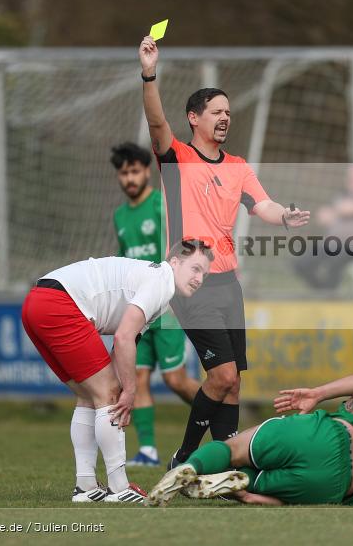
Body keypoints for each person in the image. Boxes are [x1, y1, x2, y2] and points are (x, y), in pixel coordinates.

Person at [138, 36, 310, 469]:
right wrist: (149, 74)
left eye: (228, 113)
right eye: (216, 112)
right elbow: (156, 122)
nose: (225, 118)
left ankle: (226, 467)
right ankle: (184, 458)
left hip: (229, 284)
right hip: (191, 283)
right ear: (193, 118)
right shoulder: (176, 158)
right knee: (223, 375)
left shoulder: (238, 167)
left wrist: (284, 215)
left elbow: (263, 205)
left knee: (233, 385)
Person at [20, 241, 213, 503]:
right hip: (59, 303)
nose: (199, 279)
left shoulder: (158, 286)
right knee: (107, 393)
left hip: (37, 302)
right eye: (195, 269)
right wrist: (129, 393)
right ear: (175, 262)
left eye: (204, 274)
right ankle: (119, 488)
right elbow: (123, 337)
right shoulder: (161, 281)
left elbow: (125, 345)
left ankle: (86, 487)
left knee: (90, 396)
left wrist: (121, 389)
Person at [146, 370, 353, 506]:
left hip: (322, 435)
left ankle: (190, 466)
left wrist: (317, 394)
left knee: (231, 450)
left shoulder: (351, 419)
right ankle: (240, 482)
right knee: (254, 481)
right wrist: (249, 498)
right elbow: (283, 503)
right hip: (331, 486)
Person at [110, 142, 201, 467]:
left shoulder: (161, 205)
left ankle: (221, 414)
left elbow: (181, 248)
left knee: (175, 380)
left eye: (135, 171)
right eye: (124, 173)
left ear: (147, 171)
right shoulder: (120, 216)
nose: (129, 178)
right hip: (137, 311)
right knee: (137, 378)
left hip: (165, 307)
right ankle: (148, 450)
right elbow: (124, 261)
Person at [294, 163, 353, 290]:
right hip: (332, 244)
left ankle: (329, 292)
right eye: (350, 177)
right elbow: (327, 217)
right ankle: (321, 290)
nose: (352, 181)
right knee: (302, 263)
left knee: (335, 257)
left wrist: (334, 211)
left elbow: (352, 208)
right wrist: (329, 216)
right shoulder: (342, 197)